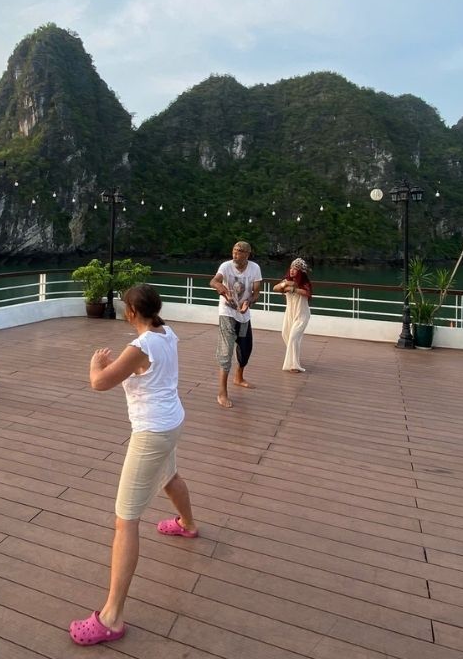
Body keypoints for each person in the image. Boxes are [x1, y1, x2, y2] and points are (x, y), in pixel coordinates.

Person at [69, 284, 197, 646]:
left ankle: (111, 617)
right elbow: (142, 372)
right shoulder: (166, 332)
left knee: (125, 521)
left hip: (151, 432)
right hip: (171, 422)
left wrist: (97, 363)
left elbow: (99, 383)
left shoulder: (140, 346)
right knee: (169, 475)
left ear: (130, 312)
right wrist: (119, 366)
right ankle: (187, 523)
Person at [209, 241, 262, 408]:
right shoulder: (225, 266)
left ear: (247, 253)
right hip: (227, 313)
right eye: (233, 250)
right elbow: (214, 281)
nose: (235, 254)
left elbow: (256, 293)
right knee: (226, 351)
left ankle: (238, 377)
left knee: (246, 349)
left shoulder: (254, 268)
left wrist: (248, 303)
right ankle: (222, 392)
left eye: (239, 251)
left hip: (244, 315)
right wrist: (222, 289)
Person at [274, 257, 313, 372]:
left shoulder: (304, 283)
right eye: (291, 268)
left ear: (300, 271)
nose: (292, 270)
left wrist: (292, 289)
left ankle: (294, 365)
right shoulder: (286, 280)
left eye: (295, 269)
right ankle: (293, 357)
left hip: (302, 314)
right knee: (285, 334)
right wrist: (284, 285)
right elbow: (275, 288)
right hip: (289, 313)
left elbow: (307, 293)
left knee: (293, 337)